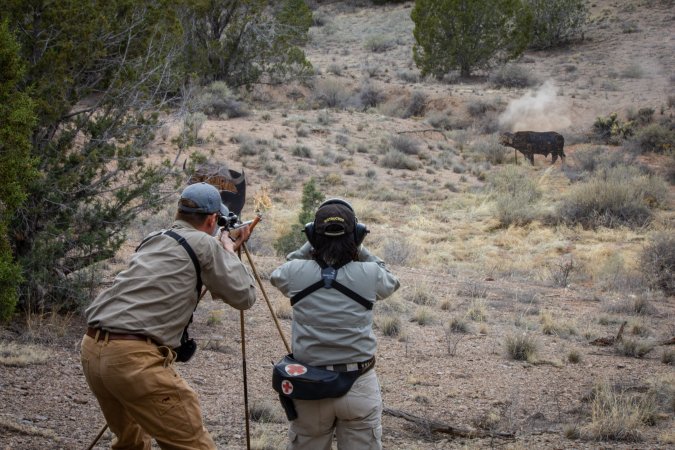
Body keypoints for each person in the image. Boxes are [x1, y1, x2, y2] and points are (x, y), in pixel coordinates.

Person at [80, 182, 256, 450]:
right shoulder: (204, 244)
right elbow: (244, 296)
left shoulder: (154, 237)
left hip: (93, 350)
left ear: (179, 213)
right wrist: (228, 251)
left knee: (131, 443)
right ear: (212, 219)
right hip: (134, 360)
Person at [270, 198, 400, 450]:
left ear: (311, 235)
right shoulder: (371, 274)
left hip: (310, 385)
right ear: (358, 235)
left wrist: (310, 246)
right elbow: (390, 282)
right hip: (358, 383)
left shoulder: (295, 271)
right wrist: (359, 249)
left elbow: (280, 274)